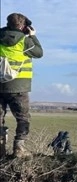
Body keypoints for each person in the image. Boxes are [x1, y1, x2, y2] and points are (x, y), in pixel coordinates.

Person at [0, 13, 43, 158]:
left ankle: (0, 149)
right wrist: (32, 36)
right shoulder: (25, 41)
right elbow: (39, 53)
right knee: (23, 118)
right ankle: (19, 148)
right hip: (19, 87)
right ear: (23, 26)